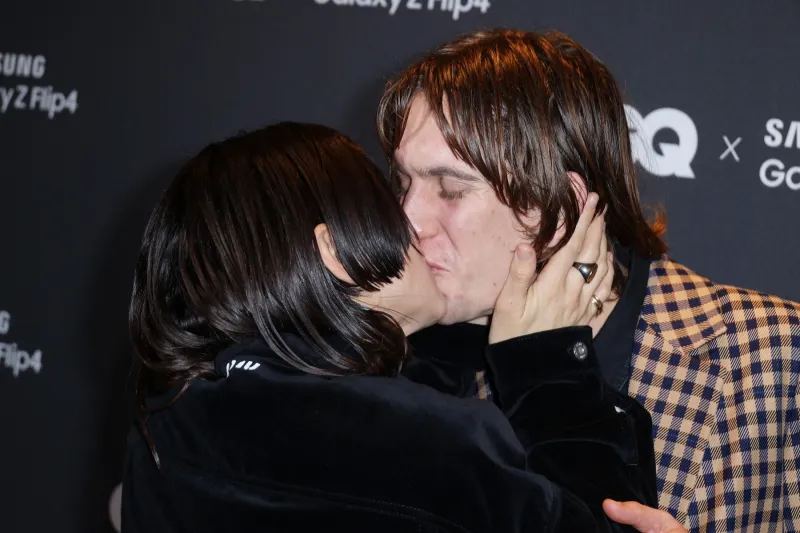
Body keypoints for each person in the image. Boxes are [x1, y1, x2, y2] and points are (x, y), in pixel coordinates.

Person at [121, 122, 657, 532]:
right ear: (333, 253)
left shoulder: (168, 421)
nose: (413, 223)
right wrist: (547, 368)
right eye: (389, 198)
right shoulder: (425, 444)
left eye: (447, 189)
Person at [376, 28, 800, 532]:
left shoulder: (771, 352)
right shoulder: (414, 373)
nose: (407, 219)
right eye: (403, 183)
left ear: (561, 207)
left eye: (449, 189)